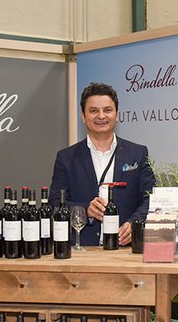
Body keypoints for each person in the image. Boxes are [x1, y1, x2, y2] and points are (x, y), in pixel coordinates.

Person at [50, 82, 155, 247]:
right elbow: (55, 204)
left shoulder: (138, 153)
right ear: (83, 116)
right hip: (83, 249)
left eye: (107, 110)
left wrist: (135, 223)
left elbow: (150, 197)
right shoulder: (66, 158)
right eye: (93, 111)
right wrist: (84, 210)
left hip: (126, 249)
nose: (101, 116)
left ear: (117, 115)